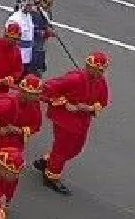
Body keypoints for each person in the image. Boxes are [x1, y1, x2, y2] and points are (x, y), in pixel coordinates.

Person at [34, 51, 110, 195]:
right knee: (62, 149)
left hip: (83, 120)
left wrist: (87, 108)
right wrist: (64, 103)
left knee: (75, 149)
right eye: (98, 70)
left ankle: (47, 161)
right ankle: (51, 176)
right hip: (65, 119)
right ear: (88, 67)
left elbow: (102, 101)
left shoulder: (101, 81)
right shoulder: (74, 79)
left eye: (102, 70)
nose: (101, 73)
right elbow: (47, 88)